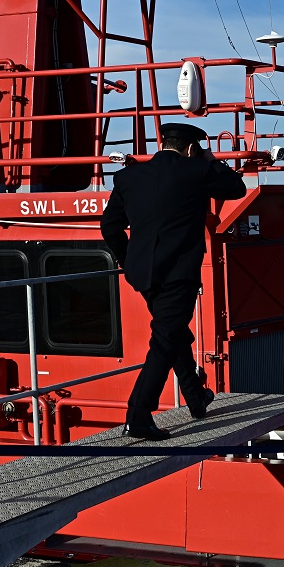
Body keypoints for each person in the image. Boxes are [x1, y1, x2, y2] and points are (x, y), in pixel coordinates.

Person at [100, 122, 247, 440]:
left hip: (143, 275)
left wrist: (129, 261)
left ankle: (196, 398)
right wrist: (209, 160)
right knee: (165, 340)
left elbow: (110, 227)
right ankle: (138, 415)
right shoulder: (197, 171)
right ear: (192, 148)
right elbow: (237, 188)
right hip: (177, 274)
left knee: (173, 331)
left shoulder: (129, 176)